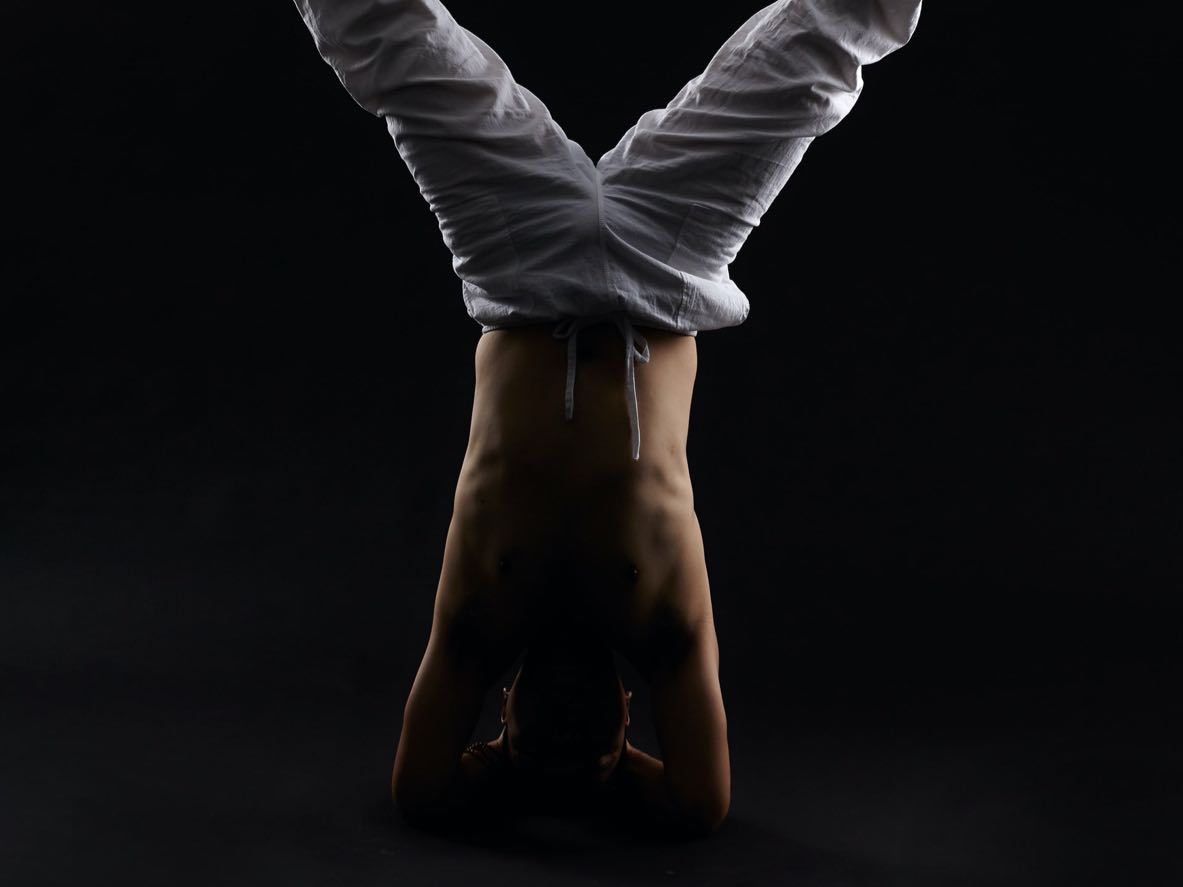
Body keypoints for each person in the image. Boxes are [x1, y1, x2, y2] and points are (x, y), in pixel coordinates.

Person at [289, 0, 923, 836]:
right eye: (588, 747)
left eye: (538, 741)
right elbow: (700, 801)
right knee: (814, 59)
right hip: (669, 260)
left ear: (501, 709)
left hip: (522, 262)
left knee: (391, 42)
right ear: (628, 712)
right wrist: (595, 777)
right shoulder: (657, 624)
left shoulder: (483, 617)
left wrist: (530, 775)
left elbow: (421, 788)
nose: (565, 731)